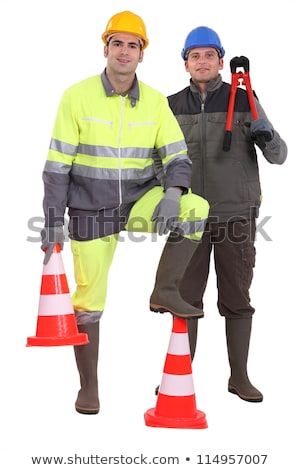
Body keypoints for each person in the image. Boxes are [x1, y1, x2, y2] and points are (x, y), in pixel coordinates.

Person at [40, 11, 209, 415]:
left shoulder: (153, 101)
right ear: (106, 48)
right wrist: (51, 222)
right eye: (118, 43)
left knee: (195, 208)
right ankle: (89, 388)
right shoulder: (76, 96)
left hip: (138, 201)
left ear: (141, 54)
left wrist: (173, 192)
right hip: (89, 209)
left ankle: (165, 291)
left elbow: (177, 155)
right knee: (89, 300)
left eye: (133, 45)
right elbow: (56, 166)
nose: (125, 51)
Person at [157, 26, 287, 403]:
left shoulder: (244, 99)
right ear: (185, 63)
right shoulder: (170, 105)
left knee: (237, 297)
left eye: (209, 55)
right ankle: (179, 376)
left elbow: (279, 155)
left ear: (220, 61)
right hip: (188, 217)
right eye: (194, 56)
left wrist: (266, 136)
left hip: (236, 216)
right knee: (182, 297)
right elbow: (155, 158)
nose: (202, 61)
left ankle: (240, 378)